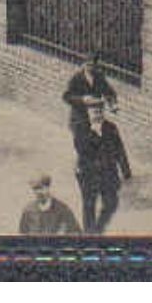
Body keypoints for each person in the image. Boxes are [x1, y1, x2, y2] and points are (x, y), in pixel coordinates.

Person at [73, 100, 131, 233]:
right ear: (87, 113)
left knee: (111, 203)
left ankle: (99, 228)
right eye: (94, 112)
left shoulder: (111, 128)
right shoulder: (81, 128)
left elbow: (120, 149)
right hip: (88, 173)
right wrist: (93, 133)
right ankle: (89, 234)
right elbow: (81, 148)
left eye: (100, 112)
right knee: (89, 205)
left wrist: (125, 171)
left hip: (108, 173)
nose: (98, 115)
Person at [62, 52, 118, 137]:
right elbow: (66, 96)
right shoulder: (77, 78)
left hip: (95, 119)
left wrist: (112, 104)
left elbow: (109, 92)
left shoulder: (99, 77)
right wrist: (82, 99)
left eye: (92, 65)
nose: (90, 68)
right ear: (83, 64)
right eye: (88, 65)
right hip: (79, 119)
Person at [18, 174, 83, 236]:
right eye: (35, 189)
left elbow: (76, 234)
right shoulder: (28, 211)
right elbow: (22, 236)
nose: (38, 192)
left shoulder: (62, 209)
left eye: (41, 188)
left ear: (48, 187)